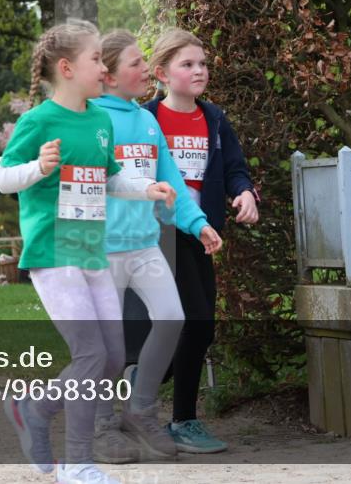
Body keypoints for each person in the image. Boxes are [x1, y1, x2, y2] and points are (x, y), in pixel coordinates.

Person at [0, 21, 176, 484]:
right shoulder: (38, 121)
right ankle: (77, 462)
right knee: (91, 355)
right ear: (67, 68)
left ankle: (34, 410)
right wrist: (39, 167)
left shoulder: (99, 119)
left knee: (111, 360)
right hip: (53, 253)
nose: (103, 67)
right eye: (96, 59)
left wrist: (147, 189)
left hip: (91, 251)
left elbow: (111, 177)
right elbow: (3, 178)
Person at [91, 30, 223, 463]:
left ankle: (141, 412)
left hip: (145, 244)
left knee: (171, 318)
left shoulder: (147, 122)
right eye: (136, 63)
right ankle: (102, 426)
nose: (146, 70)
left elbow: (172, 183)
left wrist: (198, 223)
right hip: (100, 248)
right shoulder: (91, 119)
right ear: (109, 75)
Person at [143, 28, 259, 454]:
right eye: (188, 64)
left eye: (203, 64)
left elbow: (234, 169)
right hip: (155, 233)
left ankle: (151, 389)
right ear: (162, 73)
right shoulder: (145, 120)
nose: (199, 71)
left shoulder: (214, 119)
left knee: (199, 325)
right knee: (186, 322)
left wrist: (245, 193)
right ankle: (179, 418)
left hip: (200, 232)